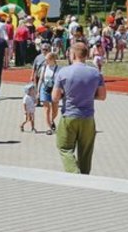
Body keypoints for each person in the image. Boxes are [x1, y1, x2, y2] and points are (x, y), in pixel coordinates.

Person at [52, 41, 107, 174]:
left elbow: (55, 97)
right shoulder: (96, 73)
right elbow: (102, 96)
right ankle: (85, 176)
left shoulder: (63, 72)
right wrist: (88, 95)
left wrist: (67, 95)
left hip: (69, 115)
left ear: (73, 54)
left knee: (64, 147)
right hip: (88, 117)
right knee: (86, 152)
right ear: (86, 55)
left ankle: (73, 172)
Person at [37, 49, 60, 134]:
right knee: (46, 109)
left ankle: (51, 120)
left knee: (55, 110)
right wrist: (38, 91)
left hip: (55, 89)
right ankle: (49, 127)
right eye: (45, 59)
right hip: (45, 88)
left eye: (47, 59)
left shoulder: (59, 69)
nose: (45, 61)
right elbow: (40, 79)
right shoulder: (44, 67)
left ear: (53, 59)